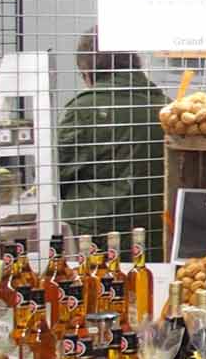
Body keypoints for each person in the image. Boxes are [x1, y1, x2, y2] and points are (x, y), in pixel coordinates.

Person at [57, 35, 169, 257]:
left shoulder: (83, 108)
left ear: (88, 70)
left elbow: (59, 175)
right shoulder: (166, 106)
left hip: (97, 233)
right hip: (155, 233)